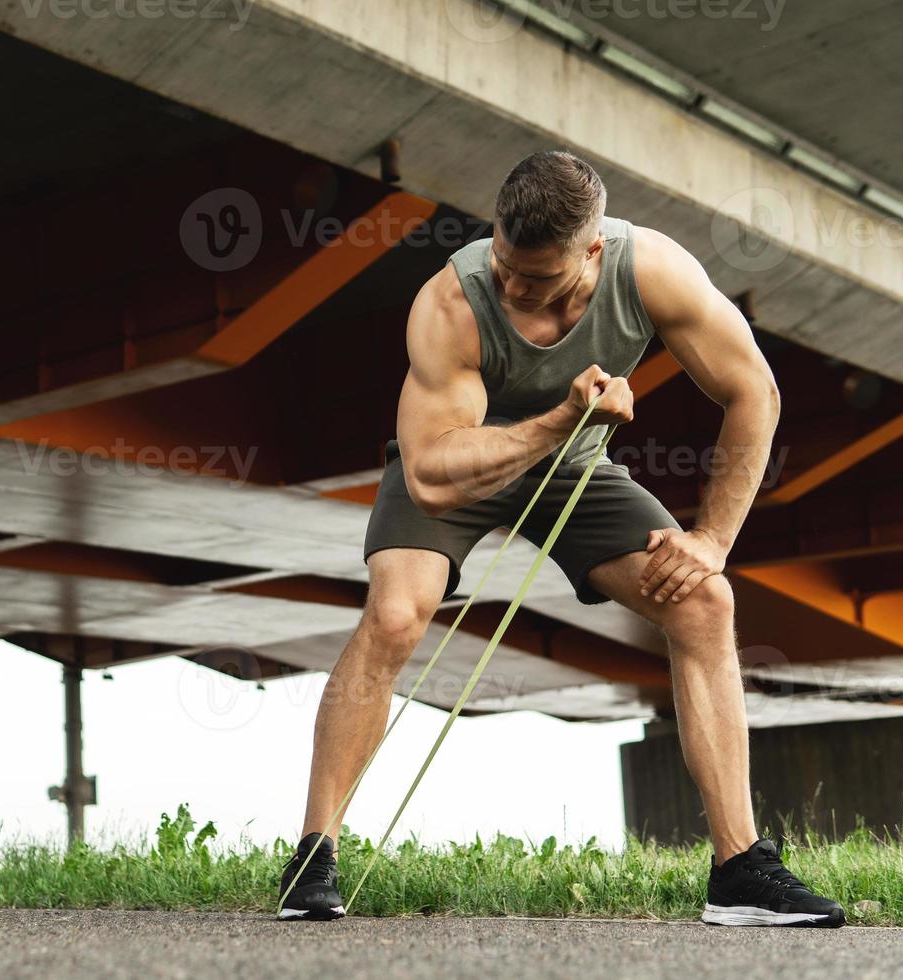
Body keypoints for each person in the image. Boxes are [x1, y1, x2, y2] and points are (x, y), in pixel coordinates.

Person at [277, 150, 844, 928]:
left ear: (593, 251)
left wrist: (711, 538)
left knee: (705, 602)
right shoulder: (452, 300)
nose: (513, 288)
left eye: (536, 279)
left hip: (574, 472)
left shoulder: (654, 272)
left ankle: (739, 871)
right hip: (463, 462)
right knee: (398, 614)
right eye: (507, 266)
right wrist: (554, 421)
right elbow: (433, 477)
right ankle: (314, 854)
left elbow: (756, 390)